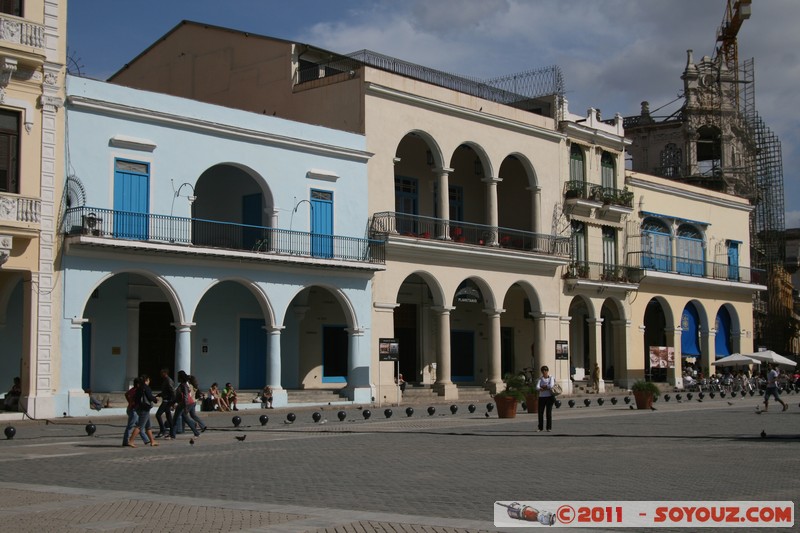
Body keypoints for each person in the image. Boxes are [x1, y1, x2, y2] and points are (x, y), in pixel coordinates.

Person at [128, 374, 159, 447]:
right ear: (146, 380)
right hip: (144, 409)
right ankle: (131, 441)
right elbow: (150, 397)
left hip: (139, 408)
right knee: (140, 426)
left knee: (148, 426)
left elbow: (135, 398)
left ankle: (152, 441)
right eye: (148, 380)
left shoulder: (139, 388)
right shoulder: (146, 388)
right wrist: (155, 399)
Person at [170, 371, 202, 439]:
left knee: (175, 419)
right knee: (185, 418)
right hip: (184, 403)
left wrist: (185, 407)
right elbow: (178, 396)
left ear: (181, 378)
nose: (177, 378)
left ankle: (172, 435)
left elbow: (185, 397)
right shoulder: (182, 385)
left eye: (178, 376)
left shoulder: (183, 385)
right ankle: (196, 432)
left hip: (184, 404)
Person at [123, 378, 150, 447]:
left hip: (131, 409)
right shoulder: (136, 391)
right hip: (133, 410)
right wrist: (131, 402)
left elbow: (126, 394)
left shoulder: (132, 390)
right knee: (131, 426)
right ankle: (125, 441)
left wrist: (129, 402)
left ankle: (146, 440)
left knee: (139, 425)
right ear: (138, 384)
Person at [155, 368, 175, 439]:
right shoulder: (166, 380)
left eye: (161, 373)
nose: (161, 375)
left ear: (165, 373)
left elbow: (172, 391)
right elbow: (165, 391)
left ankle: (163, 430)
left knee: (158, 414)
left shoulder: (168, 381)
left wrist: (173, 402)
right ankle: (172, 433)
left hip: (167, 401)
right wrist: (160, 394)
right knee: (169, 417)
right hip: (166, 399)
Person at [535, 365, 556, 432]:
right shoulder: (540, 379)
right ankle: (540, 427)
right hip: (542, 397)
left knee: (548, 413)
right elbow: (537, 387)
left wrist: (544, 387)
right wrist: (543, 388)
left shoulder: (551, 378)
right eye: (543, 371)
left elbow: (551, 385)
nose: (544, 372)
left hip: (549, 397)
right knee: (540, 413)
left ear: (547, 371)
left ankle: (548, 427)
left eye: (545, 370)